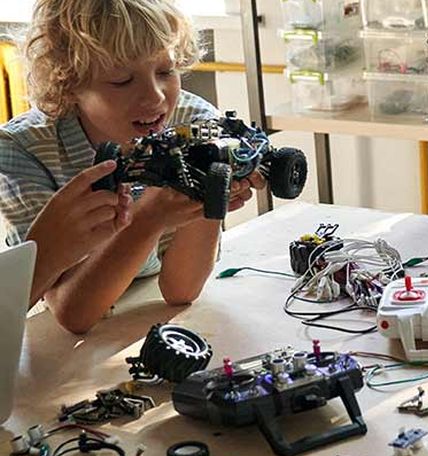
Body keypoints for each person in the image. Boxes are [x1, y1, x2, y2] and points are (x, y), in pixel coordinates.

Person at [0, 0, 260, 330]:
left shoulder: (194, 123)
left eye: (166, 72)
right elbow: (72, 314)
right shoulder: (23, 151)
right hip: (64, 337)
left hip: (143, 309)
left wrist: (209, 194)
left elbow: (182, 291)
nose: (154, 98)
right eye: (122, 80)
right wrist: (149, 218)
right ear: (68, 82)